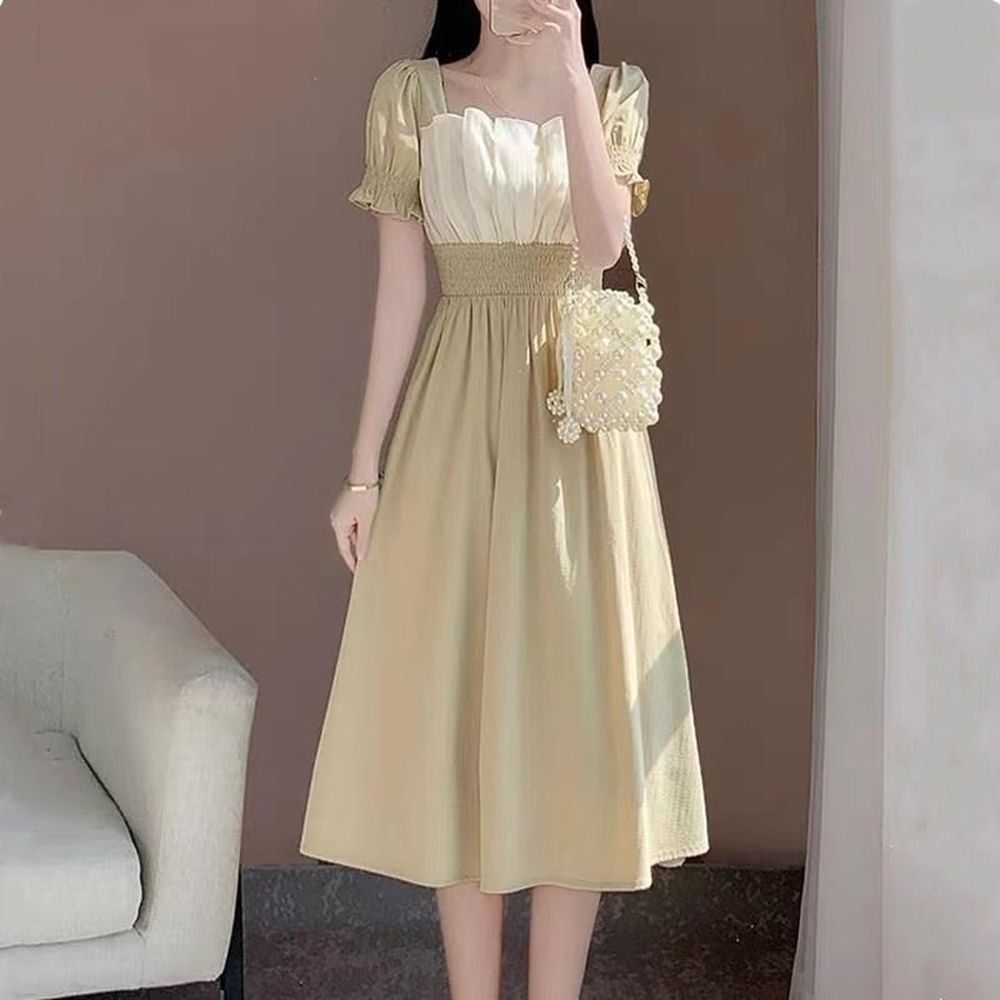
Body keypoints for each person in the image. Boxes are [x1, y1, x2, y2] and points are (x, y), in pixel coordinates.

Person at [300, 1, 709, 996]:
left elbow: (603, 247)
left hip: (576, 428)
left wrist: (569, 76)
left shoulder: (612, 93)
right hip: (455, 418)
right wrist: (362, 471)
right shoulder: (412, 97)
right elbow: (402, 294)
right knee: (461, 711)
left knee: (577, 717)